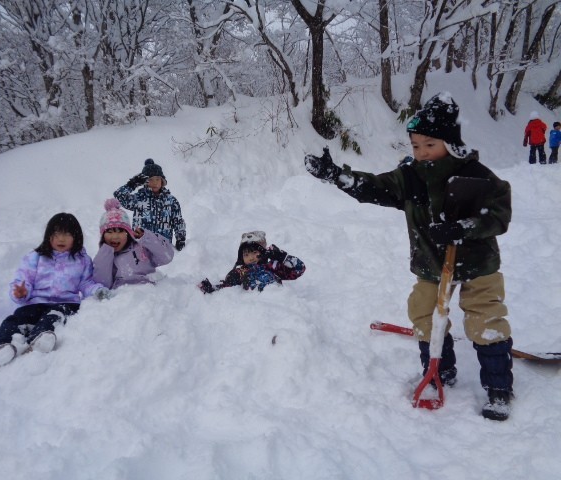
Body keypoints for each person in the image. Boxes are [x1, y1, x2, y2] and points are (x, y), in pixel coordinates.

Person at [305, 92, 514, 421]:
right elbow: (375, 187)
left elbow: (499, 215)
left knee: (485, 319)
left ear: (451, 143)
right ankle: (440, 371)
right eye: (416, 145)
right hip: (431, 263)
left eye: (430, 144)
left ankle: (499, 388)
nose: (422, 152)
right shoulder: (410, 176)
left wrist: (465, 227)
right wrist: (338, 176)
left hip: (478, 264)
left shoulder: (477, 175)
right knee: (423, 312)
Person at [0, 213, 110, 376]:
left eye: (67, 234)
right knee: (14, 320)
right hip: (35, 303)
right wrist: (21, 293)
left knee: (55, 315)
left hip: (65, 303)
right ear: (48, 236)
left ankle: (40, 337)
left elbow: (85, 283)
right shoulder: (35, 258)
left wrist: (96, 290)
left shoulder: (82, 260)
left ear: (76, 237)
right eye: (56, 234)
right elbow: (24, 280)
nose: (61, 238)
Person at [93, 199, 174, 289]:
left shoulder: (142, 248)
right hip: (122, 295)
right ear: (103, 236)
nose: (115, 237)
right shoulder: (105, 256)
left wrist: (147, 238)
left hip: (149, 292)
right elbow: (102, 284)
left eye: (120, 231)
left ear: (128, 233)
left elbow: (167, 256)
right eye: (109, 232)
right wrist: (105, 253)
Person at [114, 158, 187, 251]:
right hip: (141, 248)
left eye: (157, 179)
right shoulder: (139, 199)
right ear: (145, 182)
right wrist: (132, 184)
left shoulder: (171, 201)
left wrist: (180, 239)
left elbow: (178, 221)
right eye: (151, 180)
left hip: (163, 249)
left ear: (162, 181)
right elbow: (119, 196)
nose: (155, 182)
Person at [198, 231, 305, 293]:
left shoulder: (272, 266)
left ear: (263, 252)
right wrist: (212, 289)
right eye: (246, 255)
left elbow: (299, 269)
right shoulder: (239, 272)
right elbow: (227, 289)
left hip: (274, 302)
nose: (250, 257)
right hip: (253, 308)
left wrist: (282, 257)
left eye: (254, 252)